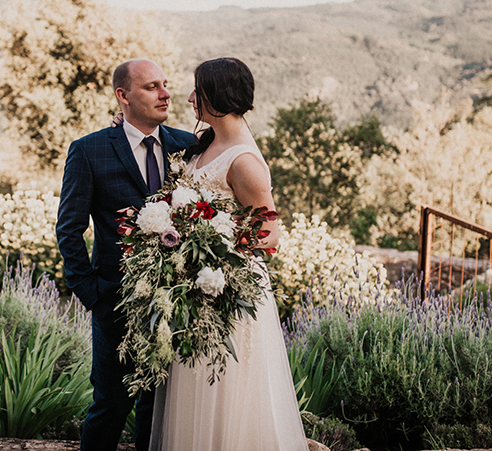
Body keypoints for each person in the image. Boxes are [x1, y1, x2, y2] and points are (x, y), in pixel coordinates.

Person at [149, 57, 309, 451]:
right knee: (194, 389)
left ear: (217, 96)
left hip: (226, 294)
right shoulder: (202, 144)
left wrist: (211, 254)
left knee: (228, 394)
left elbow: (268, 236)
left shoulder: (245, 161)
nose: (188, 98)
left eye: (197, 91)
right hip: (196, 291)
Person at [56, 59, 196, 451]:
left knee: (162, 410)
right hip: (115, 301)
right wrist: (91, 293)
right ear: (123, 96)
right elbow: (69, 227)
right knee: (111, 405)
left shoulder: (187, 146)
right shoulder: (89, 151)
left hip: (180, 305)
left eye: (165, 85)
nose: (165, 93)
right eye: (152, 87)